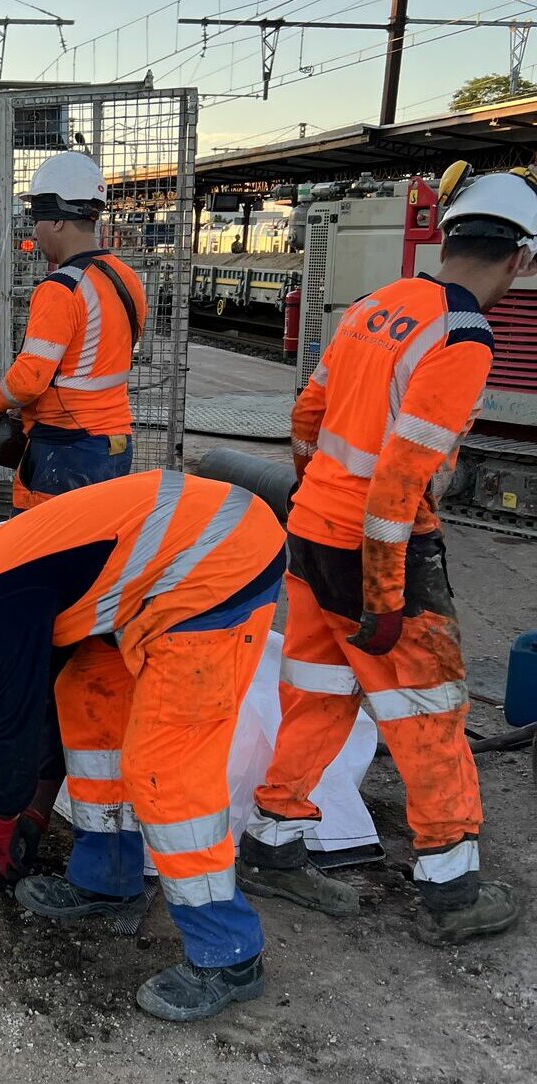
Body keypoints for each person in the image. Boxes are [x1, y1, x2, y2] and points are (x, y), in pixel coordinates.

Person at [238, 164, 537, 946]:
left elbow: (306, 417)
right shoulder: (464, 335)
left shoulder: (376, 306)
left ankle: (271, 843)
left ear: (449, 238)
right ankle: (452, 890)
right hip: (383, 551)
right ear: (521, 259)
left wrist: (318, 501)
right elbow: (403, 479)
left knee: (320, 694)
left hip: (312, 532)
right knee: (431, 710)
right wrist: (383, 592)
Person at [0, 471, 287, 1022]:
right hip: (187, 557)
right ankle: (108, 880)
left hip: (214, 568)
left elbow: (14, 724)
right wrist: (35, 812)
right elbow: (44, 705)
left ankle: (229, 954)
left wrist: (3, 816)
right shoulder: (7, 554)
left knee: (166, 770)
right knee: (85, 695)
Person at [0, 151, 147, 512]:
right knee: (95, 552)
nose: (35, 230)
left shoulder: (61, 288)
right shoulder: (126, 278)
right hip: (114, 446)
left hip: (66, 450)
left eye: (36, 218)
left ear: (56, 220)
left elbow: (29, 379)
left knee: (43, 555)